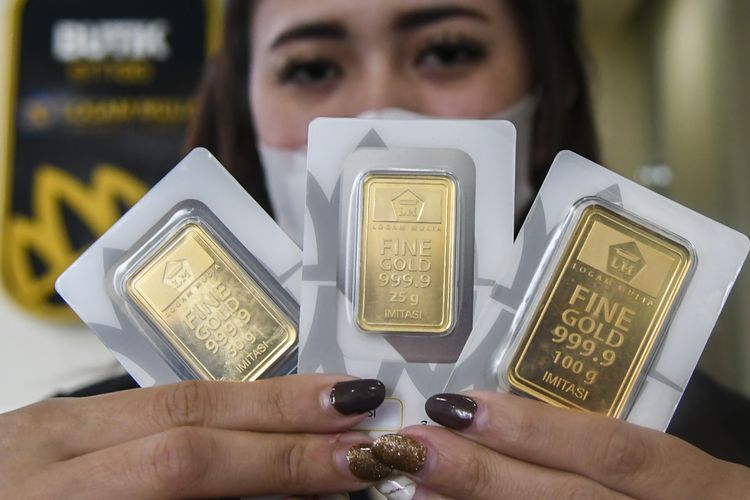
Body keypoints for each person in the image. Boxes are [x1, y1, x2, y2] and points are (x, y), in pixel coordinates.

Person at [1, 0, 748, 498]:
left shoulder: (728, 456)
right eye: (312, 68)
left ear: (546, 105)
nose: (376, 114)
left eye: (447, 51)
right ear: (245, 113)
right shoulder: (84, 465)